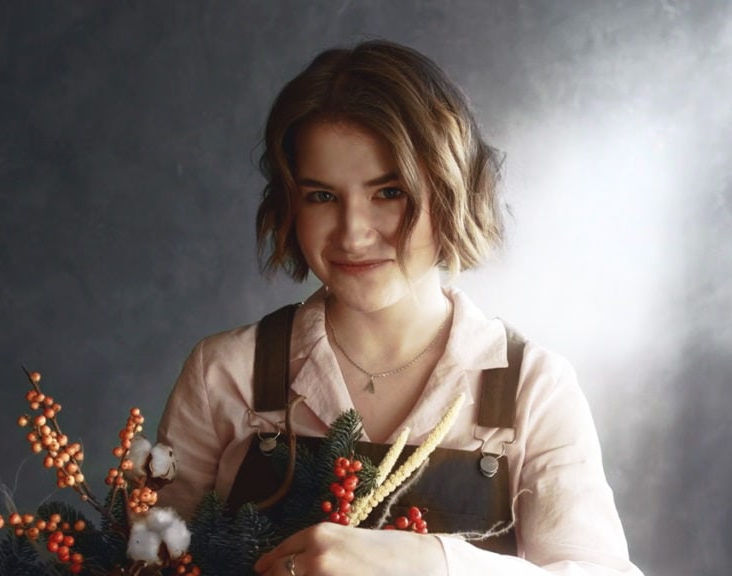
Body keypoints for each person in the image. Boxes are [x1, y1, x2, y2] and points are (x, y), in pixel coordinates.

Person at [156, 40, 643, 576]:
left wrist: (434, 563)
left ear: (450, 189)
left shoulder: (534, 388)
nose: (353, 233)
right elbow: (144, 556)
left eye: (389, 192)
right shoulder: (224, 373)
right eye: (322, 196)